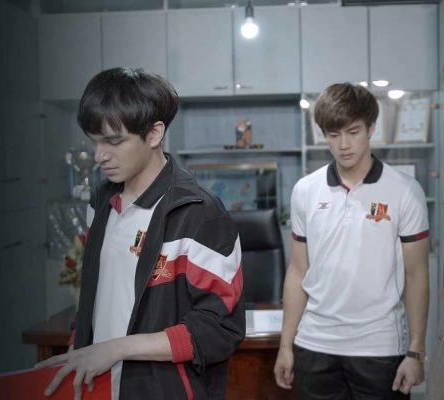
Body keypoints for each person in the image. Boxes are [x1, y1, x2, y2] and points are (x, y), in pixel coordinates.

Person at [36, 67, 245, 399]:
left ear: (154, 133)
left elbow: (219, 329)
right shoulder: (100, 203)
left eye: (114, 141)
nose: (99, 155)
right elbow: (96, 295)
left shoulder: (198, 214)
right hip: (98, 387)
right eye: (94, 141)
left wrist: (117, 348)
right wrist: (81, 345)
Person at [273, 83, 430, 399]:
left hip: (379, 347)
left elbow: (417, 275)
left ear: (371, 128)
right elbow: (298, 271)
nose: (343, 145)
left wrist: (415, 351)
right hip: (315, 344)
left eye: (353, 132)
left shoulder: (404, 190)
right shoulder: (305, 190)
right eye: (333, 135)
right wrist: (285, 345)